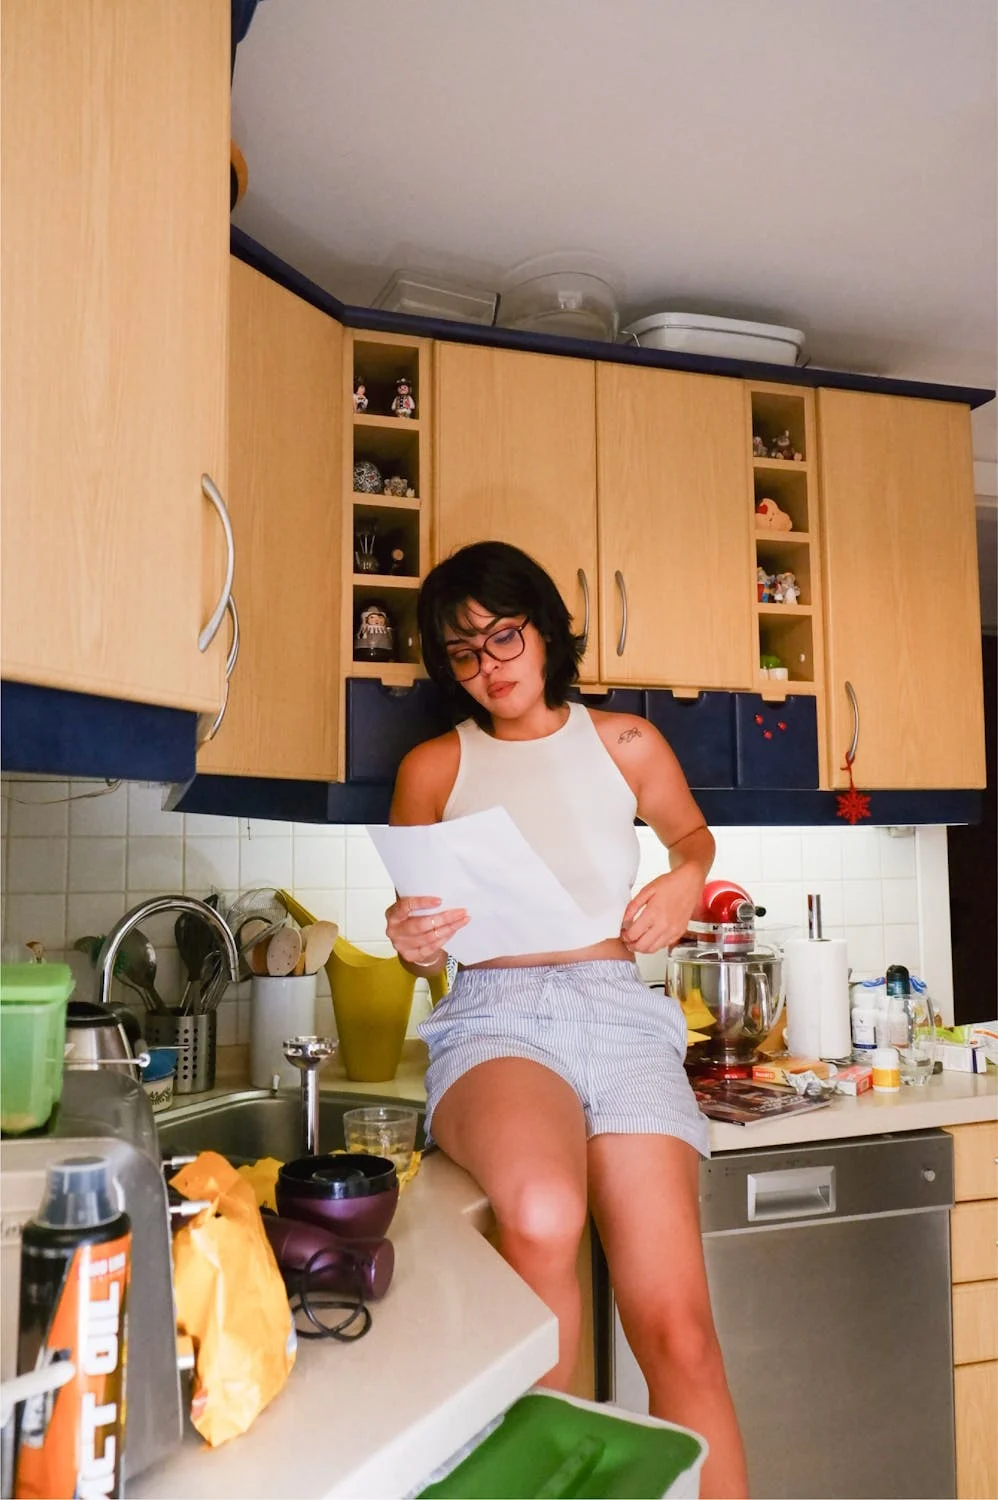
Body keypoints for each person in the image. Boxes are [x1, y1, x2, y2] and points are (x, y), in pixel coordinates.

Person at [384, 541, 748, 1499]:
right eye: (463, 653)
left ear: (544, 628)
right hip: (496, 1017)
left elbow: (690, 833)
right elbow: (417, 932)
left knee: (677, 1327)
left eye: (503, 635)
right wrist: (411, 938)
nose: (490, 664)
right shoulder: (432, 767)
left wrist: (683, 878)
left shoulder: (624, 742)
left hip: (621, 1013)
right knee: (543, 1212)